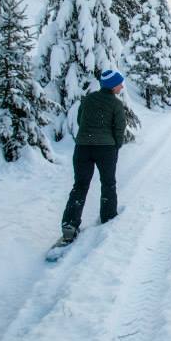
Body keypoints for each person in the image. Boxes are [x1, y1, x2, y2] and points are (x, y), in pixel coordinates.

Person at [59, 69, 126, 243]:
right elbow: (119, 129)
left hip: (82, 148)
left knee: (80, 185)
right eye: (119, 83)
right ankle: (108, 216)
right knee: (108, 183)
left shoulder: (88, 99)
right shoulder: (116, 104)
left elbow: (81, 120)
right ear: (112, 86)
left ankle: (70, 224)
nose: (122, 86)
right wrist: (116, 145)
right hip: (106, 149)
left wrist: (87, 137)